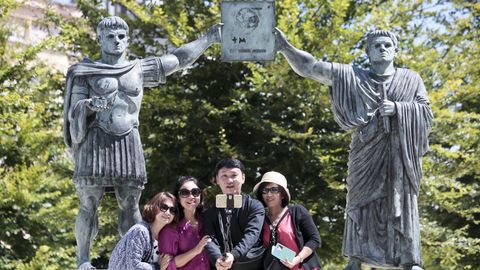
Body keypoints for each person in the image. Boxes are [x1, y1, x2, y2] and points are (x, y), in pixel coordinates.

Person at [63, 16, 221, 269]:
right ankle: (83, 259)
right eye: (111, 36)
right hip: (95, 140)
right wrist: (90, 105)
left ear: (128, 39)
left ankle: (133, 258)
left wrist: (209, 39)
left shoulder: (138, 68)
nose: (117, 41)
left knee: (130, 204)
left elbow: (178, 60)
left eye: (121, 36)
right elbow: (74, 111)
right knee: (88, 205)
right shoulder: (85, 71)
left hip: (128, 140)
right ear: (100, 39)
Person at [275, 29, 433, 270]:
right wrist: (285, 47)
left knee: (400, 201)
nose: (382, 48)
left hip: (398, 156)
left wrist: (400, 109)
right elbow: (312, 68)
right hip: (365, 153)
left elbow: (426, 114)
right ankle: (356, 258)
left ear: (396, 50)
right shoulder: (353, 77)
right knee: (359, 202)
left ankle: (408, 259)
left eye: (388, 44)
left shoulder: (411, 79)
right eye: (376, 45)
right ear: (367, 52)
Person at [204, 158, 265, 270]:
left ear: (243, 178)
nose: (229, 180)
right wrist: (218, 258)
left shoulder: (254, 206)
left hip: (249, 265)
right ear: (217, 180)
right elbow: (209, 238)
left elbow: (252, 234)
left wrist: (233, 255)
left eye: (234, 175)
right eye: (224, 176)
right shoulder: (210, 212)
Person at [253, 171, 322, 270]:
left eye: (274, 190)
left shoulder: (297, 211)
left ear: (283, 194)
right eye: (265, 190)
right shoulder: (260, 218)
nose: (269, 194)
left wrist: (297, 259)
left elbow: (315, 239)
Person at [108, 192, 178, 270]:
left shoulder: (164, 237)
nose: (168, 212)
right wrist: (158, 267)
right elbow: (134, 266)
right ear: (154, 207)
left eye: (172, 210)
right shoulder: (140, 231)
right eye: (164, 207)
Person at [157, 176, 210, 270]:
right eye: (185, 193)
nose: (191, 197)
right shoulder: (170, 229)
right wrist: (196, 250)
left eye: (195, 192)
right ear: (177, 198)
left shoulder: (207, 220)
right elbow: (167, 265)